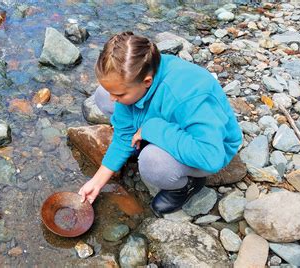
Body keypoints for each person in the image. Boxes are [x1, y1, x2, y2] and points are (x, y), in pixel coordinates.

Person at [77, 32, 242, 217]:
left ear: (147, 81)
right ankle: (143, 137)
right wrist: (97, 181)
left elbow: (211, 158)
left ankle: (186, 186)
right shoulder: (138, 75)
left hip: (211, 147)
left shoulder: (188, 94)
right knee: (101, 95)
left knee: (151, 162)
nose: (114, 98)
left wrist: (151, 129)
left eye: (120, 94)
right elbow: (123, 134)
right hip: (167, 122)